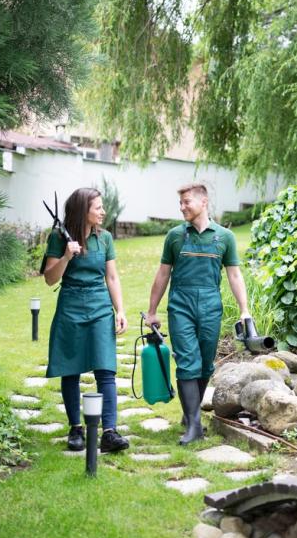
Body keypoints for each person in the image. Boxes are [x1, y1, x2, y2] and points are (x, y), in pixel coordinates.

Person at [146, 183, 251, 445]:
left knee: (205, 364)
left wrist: (244, 310)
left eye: (187, 202)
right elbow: (163, 274)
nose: (182, 207)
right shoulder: (175, 236)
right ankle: (194, 426)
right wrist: (152, 311)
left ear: (203, 202)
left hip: (210, 304)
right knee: (187, 362)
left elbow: (235, 275)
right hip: (181, 304)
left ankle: (190, 413)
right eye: (180, 203)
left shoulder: (224, 237)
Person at [44, 187, 130, 453]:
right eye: (98, 207)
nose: (103, 211)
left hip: (99, 306)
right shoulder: (58, 238)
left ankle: (110, 432)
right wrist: (67, 256)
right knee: (71, 370)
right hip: (70, 305)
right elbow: (49, 278)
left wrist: (120, 310)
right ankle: (75, 429)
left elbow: (112, 277)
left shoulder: (104, 239)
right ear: (84, 210)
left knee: (106, 370)